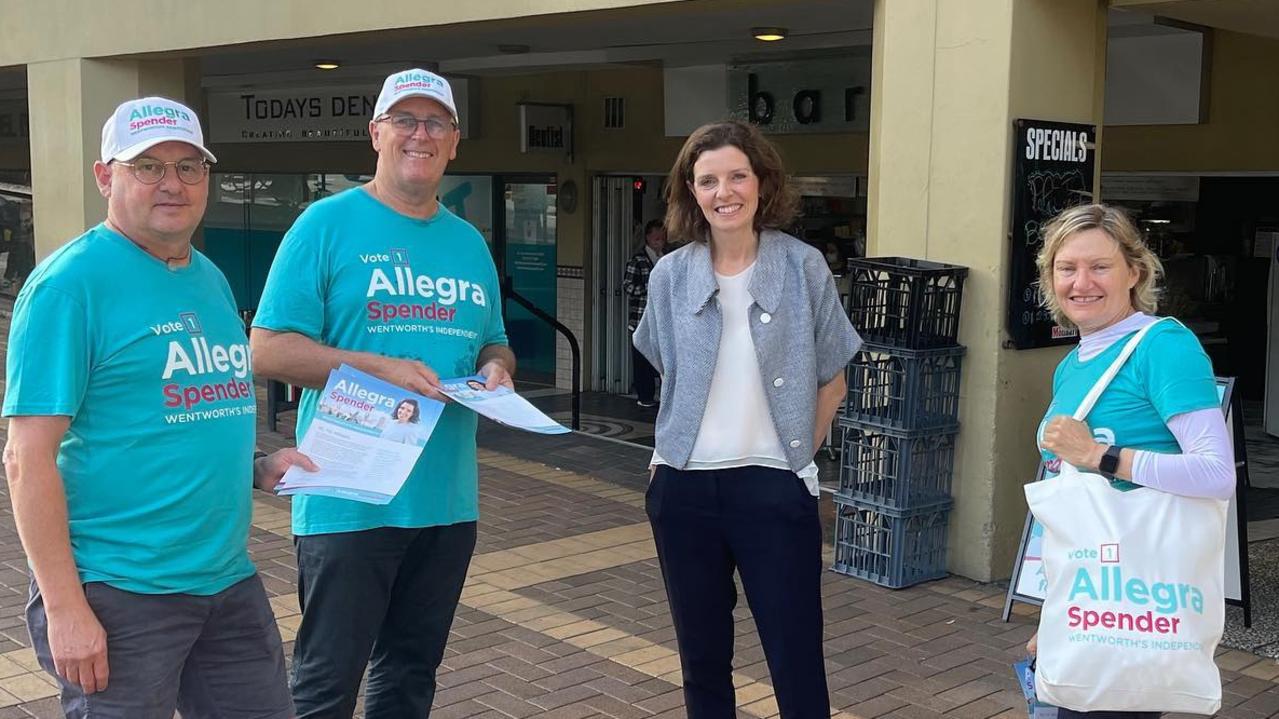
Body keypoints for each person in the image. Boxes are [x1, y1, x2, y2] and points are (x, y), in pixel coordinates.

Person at [1, 96, 316, 719]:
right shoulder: (70, 286)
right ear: (106, 176)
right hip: (121, 592)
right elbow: (24, 457)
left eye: (189, 166)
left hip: (225, 580)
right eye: (147, 165)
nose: (172, 183)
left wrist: (256, 464)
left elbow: (179, 407)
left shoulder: (208, 276)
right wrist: (66, 611)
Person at [250, 69, 515, 718]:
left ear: (454, 142)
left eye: (434, 124)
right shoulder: (324, 225)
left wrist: (498, 367)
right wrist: (378, 368)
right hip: (348, 497)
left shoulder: (467, 243)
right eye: (404, 121)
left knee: (408, 679)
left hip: (446, 502)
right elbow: (266, 349)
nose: (419, 135)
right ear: (376, 134)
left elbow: (494, 340)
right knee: (324, 685)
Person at [633, 120, 860, 718]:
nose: (723, 191)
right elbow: (665, 362)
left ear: (762, 182)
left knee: (795, 658)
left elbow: (833, 377)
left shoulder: (802, 265)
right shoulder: (670, 274)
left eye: (737, 175)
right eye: (707, 180)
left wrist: (794, 460)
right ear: (690, 189)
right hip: (682, 487)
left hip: (772, 485)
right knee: (701, 661)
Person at [1027, 203, 1235, 719]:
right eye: (1066, 267)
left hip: (1141, 601)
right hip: (1089, 599)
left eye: (1100, 266)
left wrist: (1100, 455)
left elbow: (1216, 473)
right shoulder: (1074, 362)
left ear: (1134, 272)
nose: (1082, 282)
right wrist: (1056, 611)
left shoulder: (1164, 345)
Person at [623, 219, 666, 407]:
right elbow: (627, 286)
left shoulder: (667, 258)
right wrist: (648, 287)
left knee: (661, 357)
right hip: (641, 317)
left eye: (662, 236)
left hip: (663, 319)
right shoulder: (638, 260)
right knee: (641, 358)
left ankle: (662, 396)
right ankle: (645, 396)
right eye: (655, 235)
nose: (659, 239)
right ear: (647, 237)